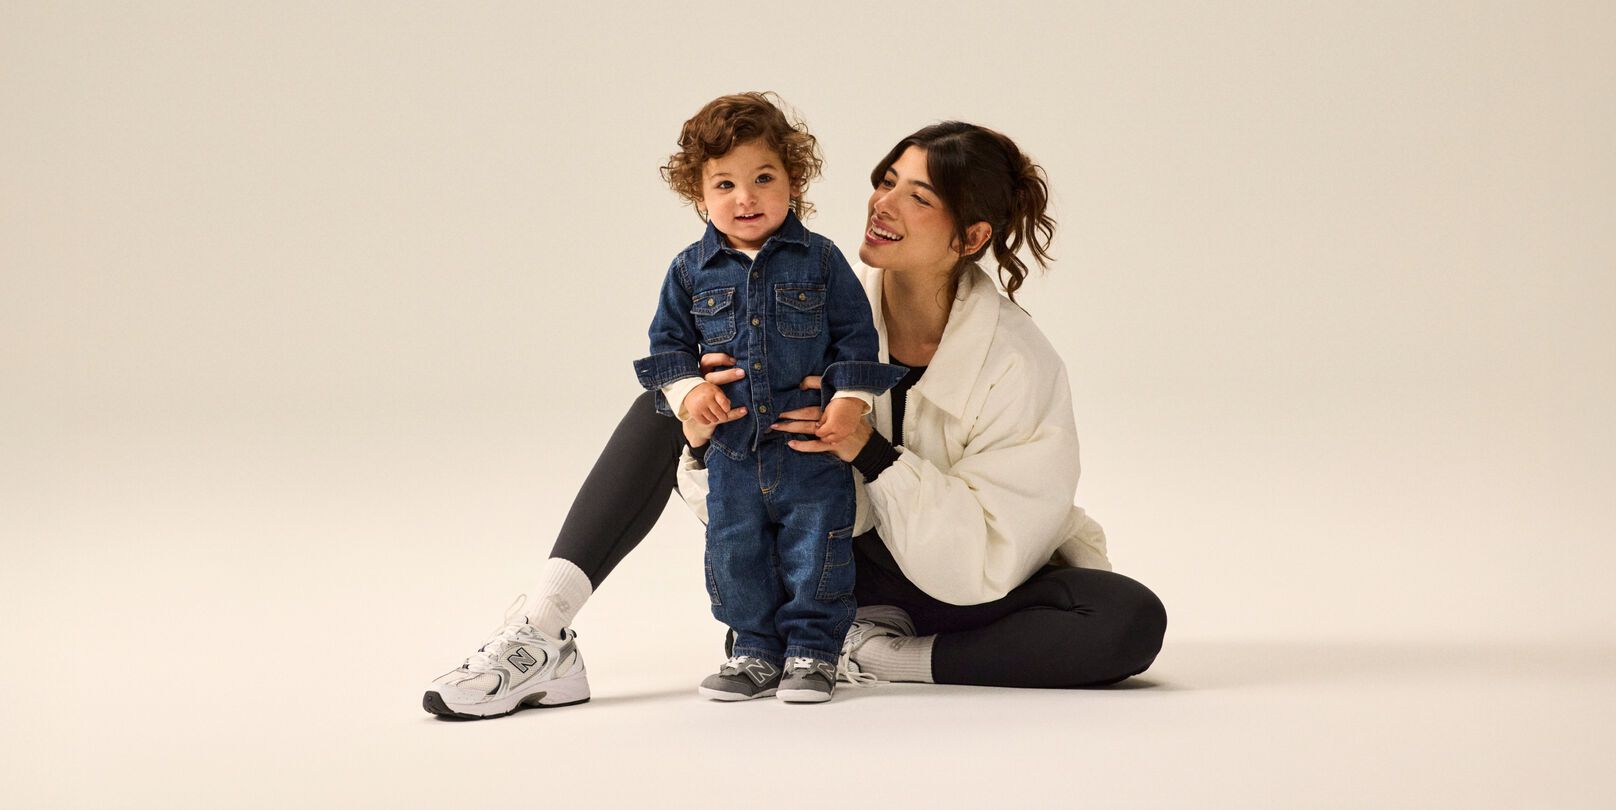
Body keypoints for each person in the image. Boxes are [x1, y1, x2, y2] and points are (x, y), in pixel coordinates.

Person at [422, 118, 1168, 720]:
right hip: (824, 546)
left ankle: (877, 655)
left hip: (960, 586)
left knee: (1127, 618)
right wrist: (702, 415)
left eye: (918, 197)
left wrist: (870, 452)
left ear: (969, 236)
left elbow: (995, 548)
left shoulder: (1018, 362)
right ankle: (542, 633)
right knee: (667, 396)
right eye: (886, 181)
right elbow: (725, 435)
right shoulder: (810, 289)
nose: (883, 203)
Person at [632, 93, 904, 703]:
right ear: (699, 196)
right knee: (736, 553)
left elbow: (856, 341)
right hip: (732, 450)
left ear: (793, 183)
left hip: (808, 449)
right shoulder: (688, 271)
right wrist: (689, 392)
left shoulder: (823, 260)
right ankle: (753, 650)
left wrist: (848, 402)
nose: (745, 198)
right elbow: (667, 347)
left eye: (763, 179)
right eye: (724, 184)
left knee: (818, 548)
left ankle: (812, 651)